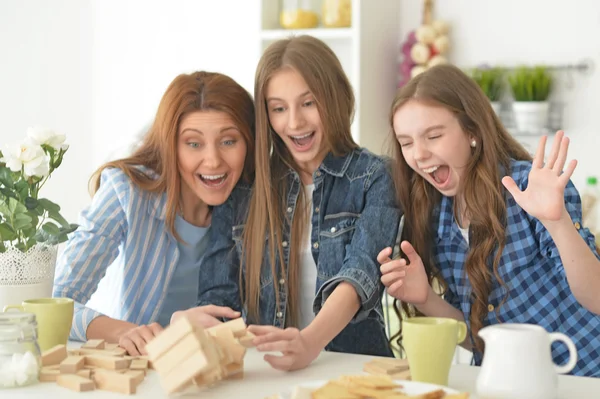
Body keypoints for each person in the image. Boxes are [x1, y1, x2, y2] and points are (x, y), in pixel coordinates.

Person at [193, 35, 401, 371]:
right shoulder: (246, 187)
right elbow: (219, 297)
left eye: (308, 103)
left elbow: (360, 275)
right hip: (268, 370)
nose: (294, 122)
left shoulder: (375, 177)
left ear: (335, 97)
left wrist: (309, 342)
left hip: (355, 367)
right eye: (278, 108)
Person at [379, 64, 600, 377]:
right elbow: (479, 340)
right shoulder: (436, 220)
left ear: (472, 132)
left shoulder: (529, 188)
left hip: (582, 379)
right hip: (507, 384)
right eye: (406, 142)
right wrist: (426, 298)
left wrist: (557, 222)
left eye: (434, 135)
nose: (419, 155)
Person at [53, 71, 255, 355]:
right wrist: (124, 331)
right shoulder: (126, 191)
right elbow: (57, 302)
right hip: (133, 371)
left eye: (229, 141)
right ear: (170, 145)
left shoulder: (254, 204)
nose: (213, 161)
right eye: (193, 143)